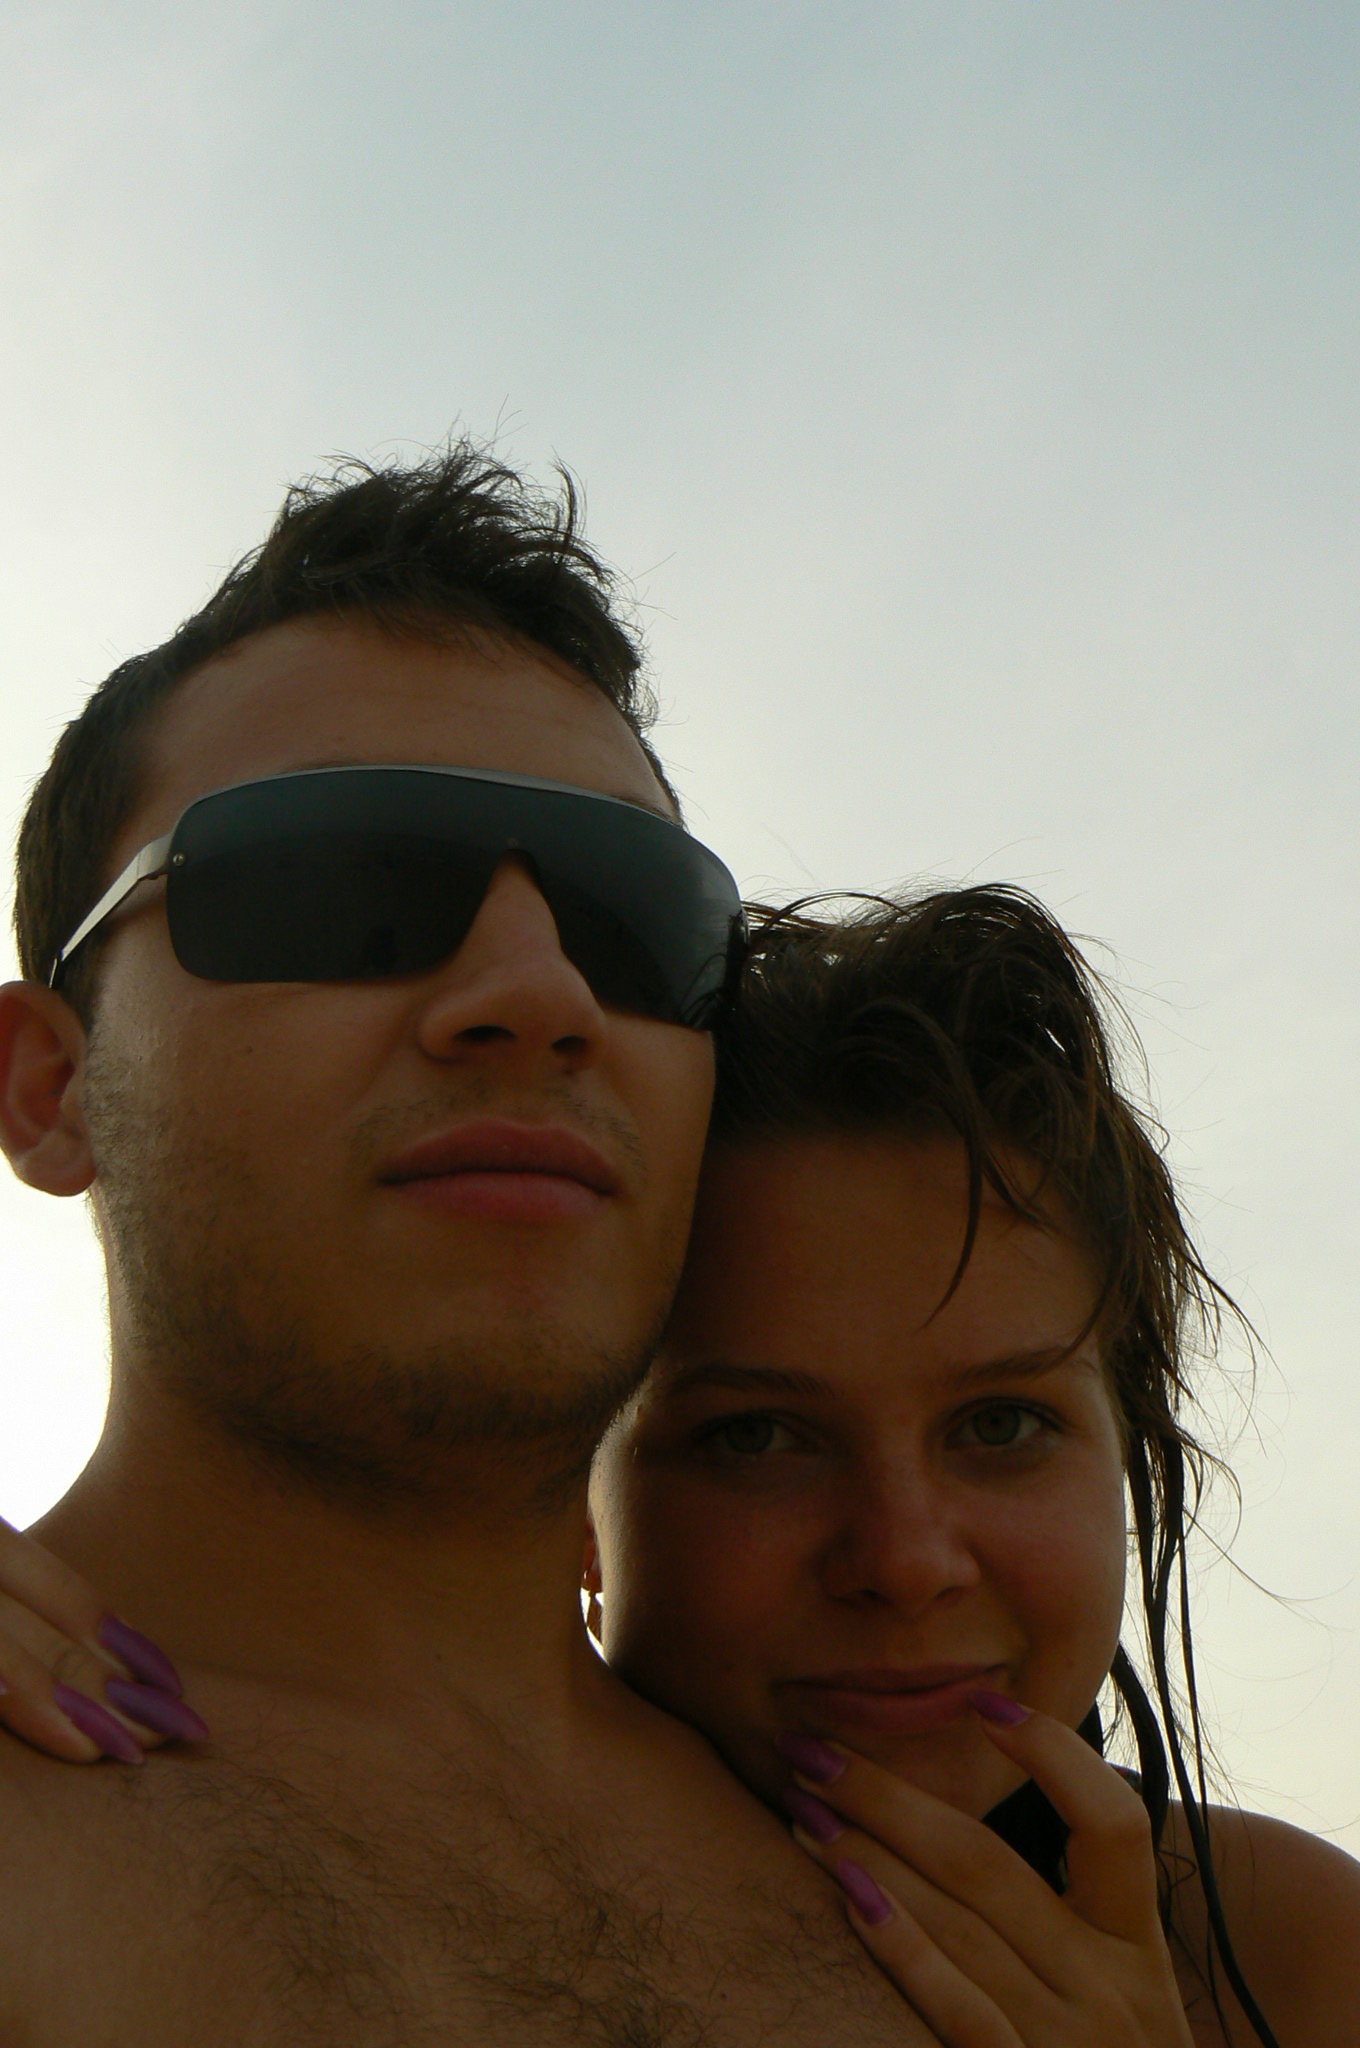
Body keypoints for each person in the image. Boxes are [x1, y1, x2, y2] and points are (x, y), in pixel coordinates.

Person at [4, 835, 1358, 2036]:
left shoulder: (1277, 1949)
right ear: (570, 1499)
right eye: (758, 1439)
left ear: (1126, 1445)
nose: (905, 1561)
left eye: (1002, 1425)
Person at [0, 443, 943, 2045]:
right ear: (49, 1087)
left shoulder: (985, 1901)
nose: (541, 992)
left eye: (635, 920)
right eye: (348, 883)